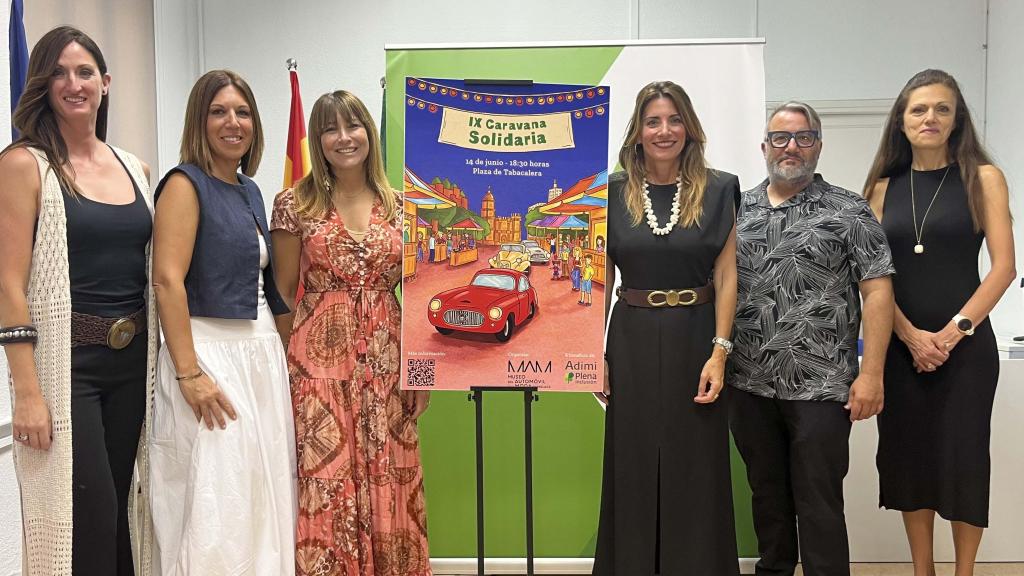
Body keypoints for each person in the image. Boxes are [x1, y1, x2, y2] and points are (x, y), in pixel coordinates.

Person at [0, 26, 156, 575]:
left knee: (122, 514)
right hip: (69, 368)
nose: (74, 83)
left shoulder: (134, 167)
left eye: (85, 71)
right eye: (59, 72)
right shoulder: (24, 165)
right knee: (88, 517)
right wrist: (26, 393)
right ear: (42, 85)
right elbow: (7, 285)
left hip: (133, 364)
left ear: (106, 83)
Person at [729, 101, 895, 576]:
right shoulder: (739, 208)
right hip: (750, 383)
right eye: (781, 138)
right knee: (767, 496)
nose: (792, 147)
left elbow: (878, 292)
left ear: (818, 145)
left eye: (804, 137)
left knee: (819, 501)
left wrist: (872, 375)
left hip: (822, 387)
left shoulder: (849, 209)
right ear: (764, 146)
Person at [271, 90, 432, 576]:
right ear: (318, 141)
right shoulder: (293, 205)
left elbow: (422, 296)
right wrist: (288, 370)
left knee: (392, 473)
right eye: (330, 129)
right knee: (327, 479)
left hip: (388, 364)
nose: (344, 138)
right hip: (319, 371)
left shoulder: (403, 206)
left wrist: (420, 374)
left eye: (353, 126)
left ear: (369, 133)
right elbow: (281, 293)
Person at [864, 70, 1016, 576]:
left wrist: (953, 334)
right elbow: (869, 275)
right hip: (901, 349)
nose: (930, 118)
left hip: (966, 351)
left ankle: (964, 571)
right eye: (919, 109)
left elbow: (1003, 268)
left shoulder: (983, 177)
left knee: (964, 460)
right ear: (902, 122)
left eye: (942, 109)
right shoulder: (882, 187)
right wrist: (907, 336)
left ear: (957, 119)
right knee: (909, 460)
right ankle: (922, 570)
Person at [149, 69, 296, 574]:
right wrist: (190, 374)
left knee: (261, 491)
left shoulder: (252, 191)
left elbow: (270, 286)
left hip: (260, 356)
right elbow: (167, 281)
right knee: (220, 500)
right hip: (209, 354)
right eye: (218, 111)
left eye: (242, 112)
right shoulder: (184, 185)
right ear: (199, 120)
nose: (232, 123)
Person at [594, 80, 740, 575]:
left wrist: (720, 351)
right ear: (637, 131)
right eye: (653, 121)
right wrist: (594, 352)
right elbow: (601, 275)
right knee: (632, 463)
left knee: (695, 465)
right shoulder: (609, 191)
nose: (664, 130)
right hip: (630, 337)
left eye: (674, 119)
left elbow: (727, 274)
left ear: (689, 127)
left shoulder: (720, 188)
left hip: (697, 335)